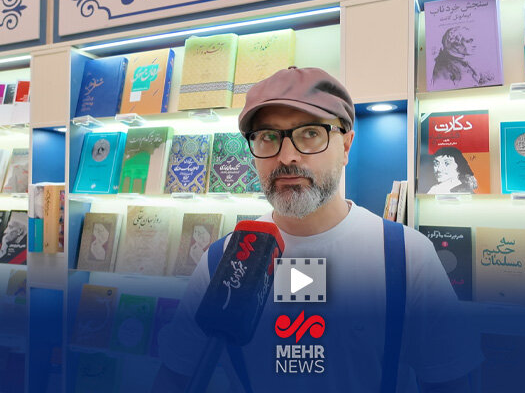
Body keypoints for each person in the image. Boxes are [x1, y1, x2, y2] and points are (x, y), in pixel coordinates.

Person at [153, 67, 482, 392]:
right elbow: (176, 378)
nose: (287, 157)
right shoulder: (220, 261)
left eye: (310, 133)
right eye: (267, 136)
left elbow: (448, 381)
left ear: (346, 146)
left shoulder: (407, 256)